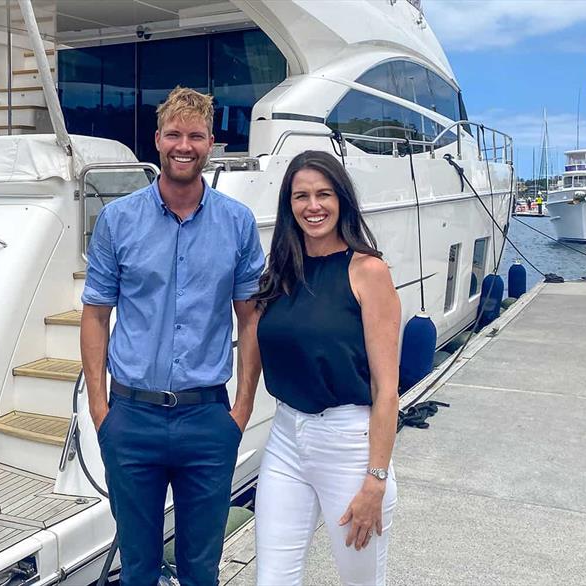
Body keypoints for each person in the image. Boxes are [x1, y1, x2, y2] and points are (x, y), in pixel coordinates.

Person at [80, 86, 265, 586]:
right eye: (175, 134)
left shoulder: (237, 223)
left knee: (200, 570)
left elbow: (250, 318)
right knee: (137, 569)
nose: (185, 145)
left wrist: (240, 412)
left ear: (211, 144)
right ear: (158, 140)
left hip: (207, 419)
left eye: (197, 136)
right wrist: (101, 412)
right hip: (131, 419)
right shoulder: (119, 220)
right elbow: (96, 315)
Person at [253, 150, 401, 586]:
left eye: (323, 194)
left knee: (360, 581)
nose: (312, 206)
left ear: (342, 201)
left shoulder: (367, 271)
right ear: (289, 205)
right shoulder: (281, 270)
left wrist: (375, 480)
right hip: (285, 438)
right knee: (273, 580)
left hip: (350, 446)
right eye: (301, 196)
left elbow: (387, 389)